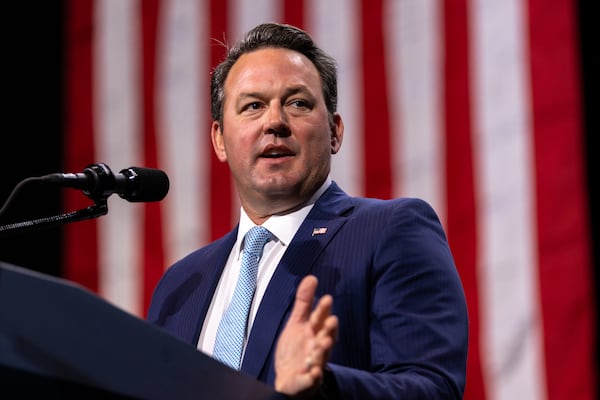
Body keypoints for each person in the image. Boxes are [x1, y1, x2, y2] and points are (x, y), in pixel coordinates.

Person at [147, 22, 468, 399]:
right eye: (253, 106)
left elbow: (433, 389)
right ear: (219, 139)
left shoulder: (391, 232)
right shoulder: (182, 283)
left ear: (334, 132)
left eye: (297, 102)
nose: (275, 122)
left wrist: (323, 386)